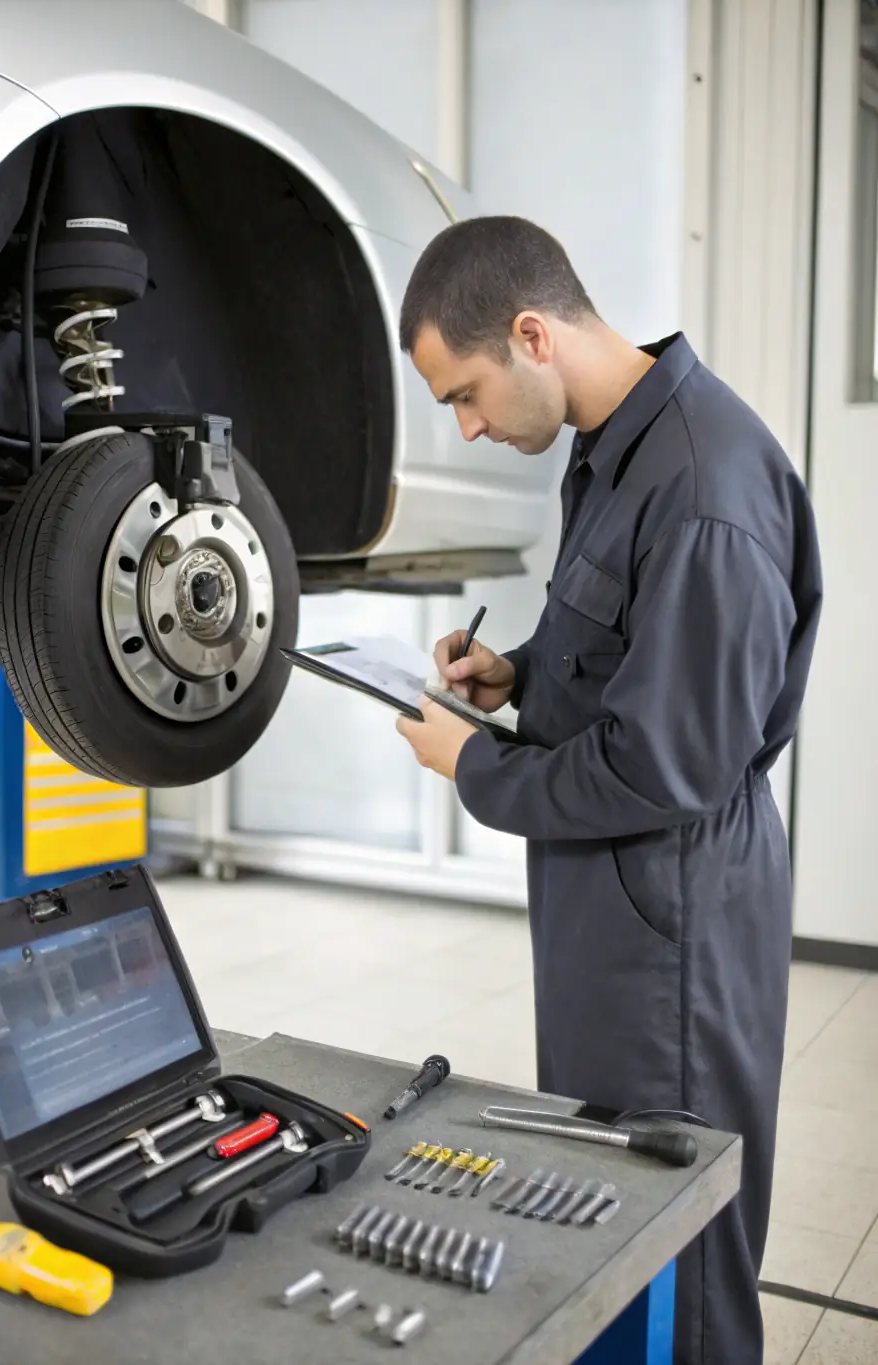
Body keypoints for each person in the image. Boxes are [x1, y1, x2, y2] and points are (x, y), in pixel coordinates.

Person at [394, 216, 822, 1365]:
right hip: (614, 899)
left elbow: (667, 760)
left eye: (465, 396)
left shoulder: (702, 484)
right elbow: (629, 644)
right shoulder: (612, 446)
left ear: (533, 334)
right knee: (601, 1204)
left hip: (670, 919)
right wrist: (519, 671)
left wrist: (472, 763)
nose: (471, 427)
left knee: (676, 1233)